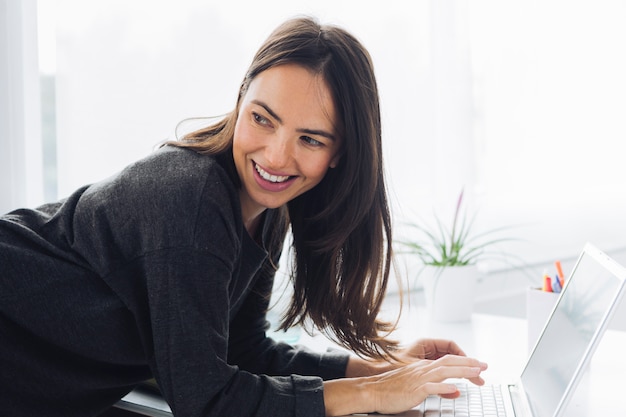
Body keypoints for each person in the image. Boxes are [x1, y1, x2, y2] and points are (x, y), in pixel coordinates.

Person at [0, 16, 487, 417]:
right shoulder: (192, 202)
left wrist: (384, 371)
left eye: (311, 139)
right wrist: (373, 395)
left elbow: (242, 351)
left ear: (341, 153)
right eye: (262, 118)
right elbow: (206, 399)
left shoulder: (264, 206)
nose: (276, 157)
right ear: (240, 101)